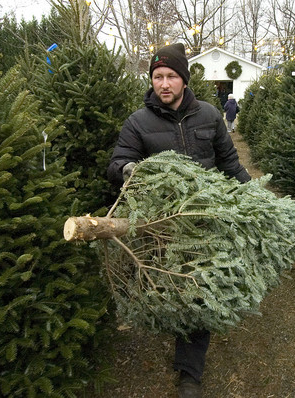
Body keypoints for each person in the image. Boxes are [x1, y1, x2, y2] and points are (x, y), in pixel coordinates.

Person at [107, 43, 251, 398]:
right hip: (164, 224)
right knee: (172, 287)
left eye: (171, 76)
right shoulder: (138, 122)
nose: (164, 83)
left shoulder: (209, 115)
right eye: (158, 76)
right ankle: (176, 331)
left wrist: (254, 197)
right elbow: (116, 163)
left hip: (205, 219)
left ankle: (190, 373)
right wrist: (129, 170)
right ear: (151, 80)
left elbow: (230, 163)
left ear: (184, 79)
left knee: (199, 290)